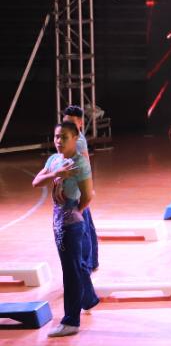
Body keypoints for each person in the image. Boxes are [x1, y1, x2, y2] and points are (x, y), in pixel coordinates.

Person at [32, 122, 99, 337]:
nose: (59, 141)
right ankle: (88, 298)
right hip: (58, 220)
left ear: (75, 138)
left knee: (70, 272)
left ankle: (71, 321)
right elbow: (36, 182)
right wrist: (56, 173)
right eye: (57, 137)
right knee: (75, 265)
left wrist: (73, 212)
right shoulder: (54, 160)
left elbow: (88, 195)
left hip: (71, 222)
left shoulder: (80, 163)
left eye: (64, 137)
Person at [62, 105, 99, 271]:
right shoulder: (72, 138)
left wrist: (87, 188)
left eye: (71, 122)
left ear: (80, 123)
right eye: (66, 122)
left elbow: (85, 164)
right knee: (86, 226)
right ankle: (92, 262)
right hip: (78, 189)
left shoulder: (78, 141)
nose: (68, 125)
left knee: (82, 228)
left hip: (77, 191)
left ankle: (87, 264)